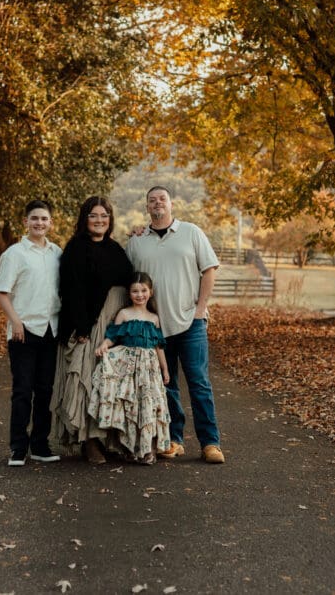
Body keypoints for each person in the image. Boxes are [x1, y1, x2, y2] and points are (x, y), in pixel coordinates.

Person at [125, 186, 225, 464]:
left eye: (162, 199)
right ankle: (174, 440)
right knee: (165, 385)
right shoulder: (137, 241)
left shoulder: (191, 232)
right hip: (155, 327)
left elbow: (209, 269)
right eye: (151, 199)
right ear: (147, 207)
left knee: (199, 382)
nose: (157, 203)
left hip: (190, 322)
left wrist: (201, 308)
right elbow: (127, 280)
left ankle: (210, 443)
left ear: (171, 204)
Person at [50, 196, 133, 464]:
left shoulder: (116, 249)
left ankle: (108, 437)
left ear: (110, 220)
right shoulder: (76, 249)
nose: (99, 221)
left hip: (113, 326)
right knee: (86, 381)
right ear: (85, 219)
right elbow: (71, 290)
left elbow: (131, 283)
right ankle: (89, 441)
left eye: (104, 216)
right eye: (94, 216)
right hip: (87, 325)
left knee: (109, 384)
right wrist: (83, 326)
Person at [0, 199, 63, 467]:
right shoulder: (14, 254)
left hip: (50, 329)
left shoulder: (57, 253)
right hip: (24, 331)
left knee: (45, 390)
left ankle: (40, 445)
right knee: (23, 390)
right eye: (34, 218)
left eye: (44, 219)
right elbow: (2, 291)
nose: (39, 223)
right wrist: (16, 322)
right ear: (26, 222)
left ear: (50, 223)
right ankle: (18, 448)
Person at [89, 272, 171, 465]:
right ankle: (130, 448)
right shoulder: (124, 314)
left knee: (149, 406)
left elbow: (158, 346)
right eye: (135, 291)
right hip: (128, 368)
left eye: (143, 290)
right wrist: (104, 345)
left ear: (150, 292)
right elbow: (113, 336)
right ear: (129, 293)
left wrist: (165, 369)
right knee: (130, 407)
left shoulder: (154, 318)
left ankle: (149, 450)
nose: (139, 294)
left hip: (148, 370)